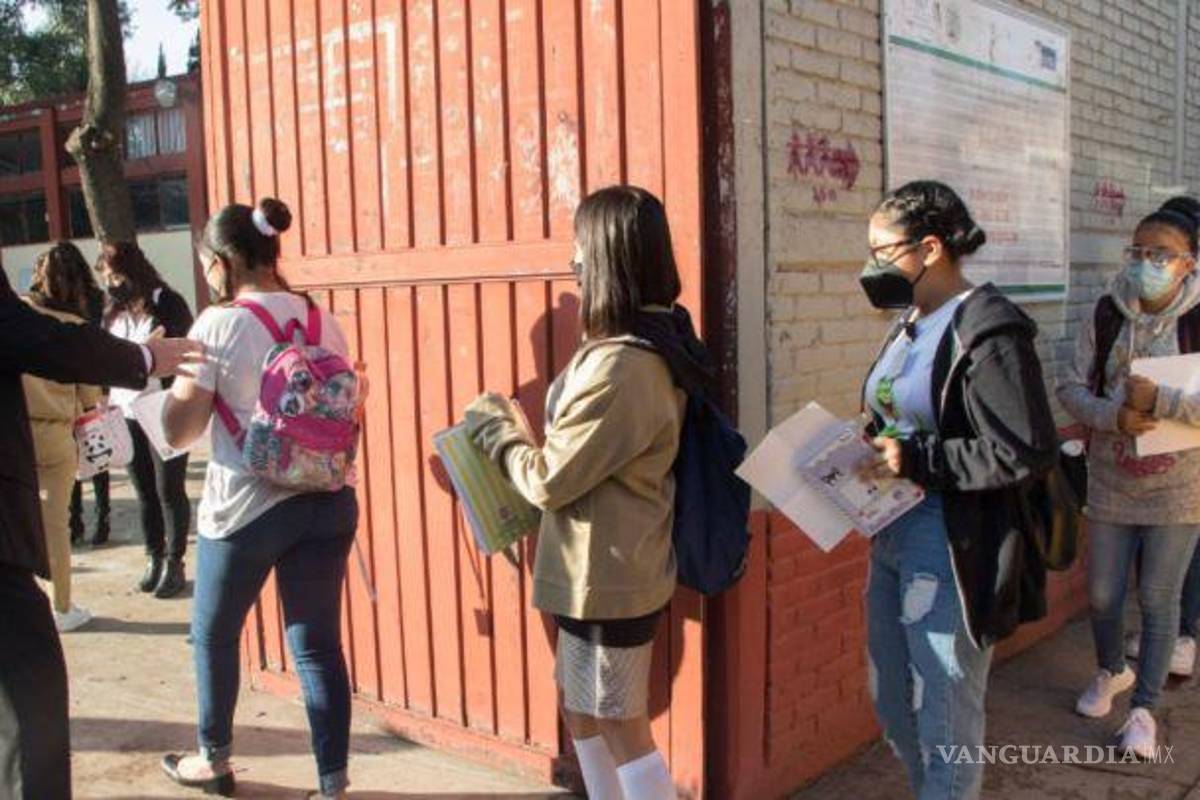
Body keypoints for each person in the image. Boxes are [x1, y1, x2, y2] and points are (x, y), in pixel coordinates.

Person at [465, 185, 701, 800]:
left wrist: (495, 431)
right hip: (591, 570)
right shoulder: (638, 344)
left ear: (606, 258)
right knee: (583, 711)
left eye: (579, 245)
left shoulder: (626, 364)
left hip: (611, 577)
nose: (571, 258)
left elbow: (549, 479)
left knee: (622, 725)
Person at [857, 180, 1057, 799]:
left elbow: (1022, 448)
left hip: (951, 542)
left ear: (931, 248)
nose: (871, 267)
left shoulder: (988, 330)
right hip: (891, 531)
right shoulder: (908, 323)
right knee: (892, 701)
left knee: (945, 717)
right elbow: (897, 414)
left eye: (883, 252)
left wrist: (918, 458)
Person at [158, 198, 359, 800]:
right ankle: (333, 783)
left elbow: (179, 431)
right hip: (328, 499)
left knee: (215, 635)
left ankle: (213, 760)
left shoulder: (218, 324)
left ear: (221, 262)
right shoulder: (324, 319)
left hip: (246, 508)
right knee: (318, 646)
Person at [0, 249, 202, 800]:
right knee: (29, 691)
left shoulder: (162, 302)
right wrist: (141, 358)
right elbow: (26, 336)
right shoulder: (84, 318)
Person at [1058, 206, 1200, 758]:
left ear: (1188, 264)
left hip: (1181, 486)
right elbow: (1070, 386)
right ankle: (1110, 670)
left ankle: (1144, 710)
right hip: (1113, 479)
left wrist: (1160, 401)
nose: (1146, 264)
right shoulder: (1106, 312)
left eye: (1160, 255)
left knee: (1159, 598)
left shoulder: (1195, 318)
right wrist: (1111, 417)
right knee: (1102, 594)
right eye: (1138, 252)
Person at [96, 242, 194, 597]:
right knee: (144, 492)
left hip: (163, 407)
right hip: (125, 410)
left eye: (115, 276)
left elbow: (185, 353)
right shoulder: (112, 313)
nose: (111, 284)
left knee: (168, 488)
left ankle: (175, 560)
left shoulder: (167, 302)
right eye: (106, 278)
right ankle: (153, 556)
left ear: (133, 272)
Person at [21, 243, 104, 632]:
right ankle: (62, 607)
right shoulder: (74, 328)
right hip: (56, 435)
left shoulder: (17, 312)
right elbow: (90, 398)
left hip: (13, 430)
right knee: (55, 526)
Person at [69, 258, 112, 548]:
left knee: (82, 454)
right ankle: (99, 517)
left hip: (78, 384)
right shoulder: (97, 300)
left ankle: (77, 521)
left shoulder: (67, 304)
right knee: (96, 455)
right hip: (92, 382)